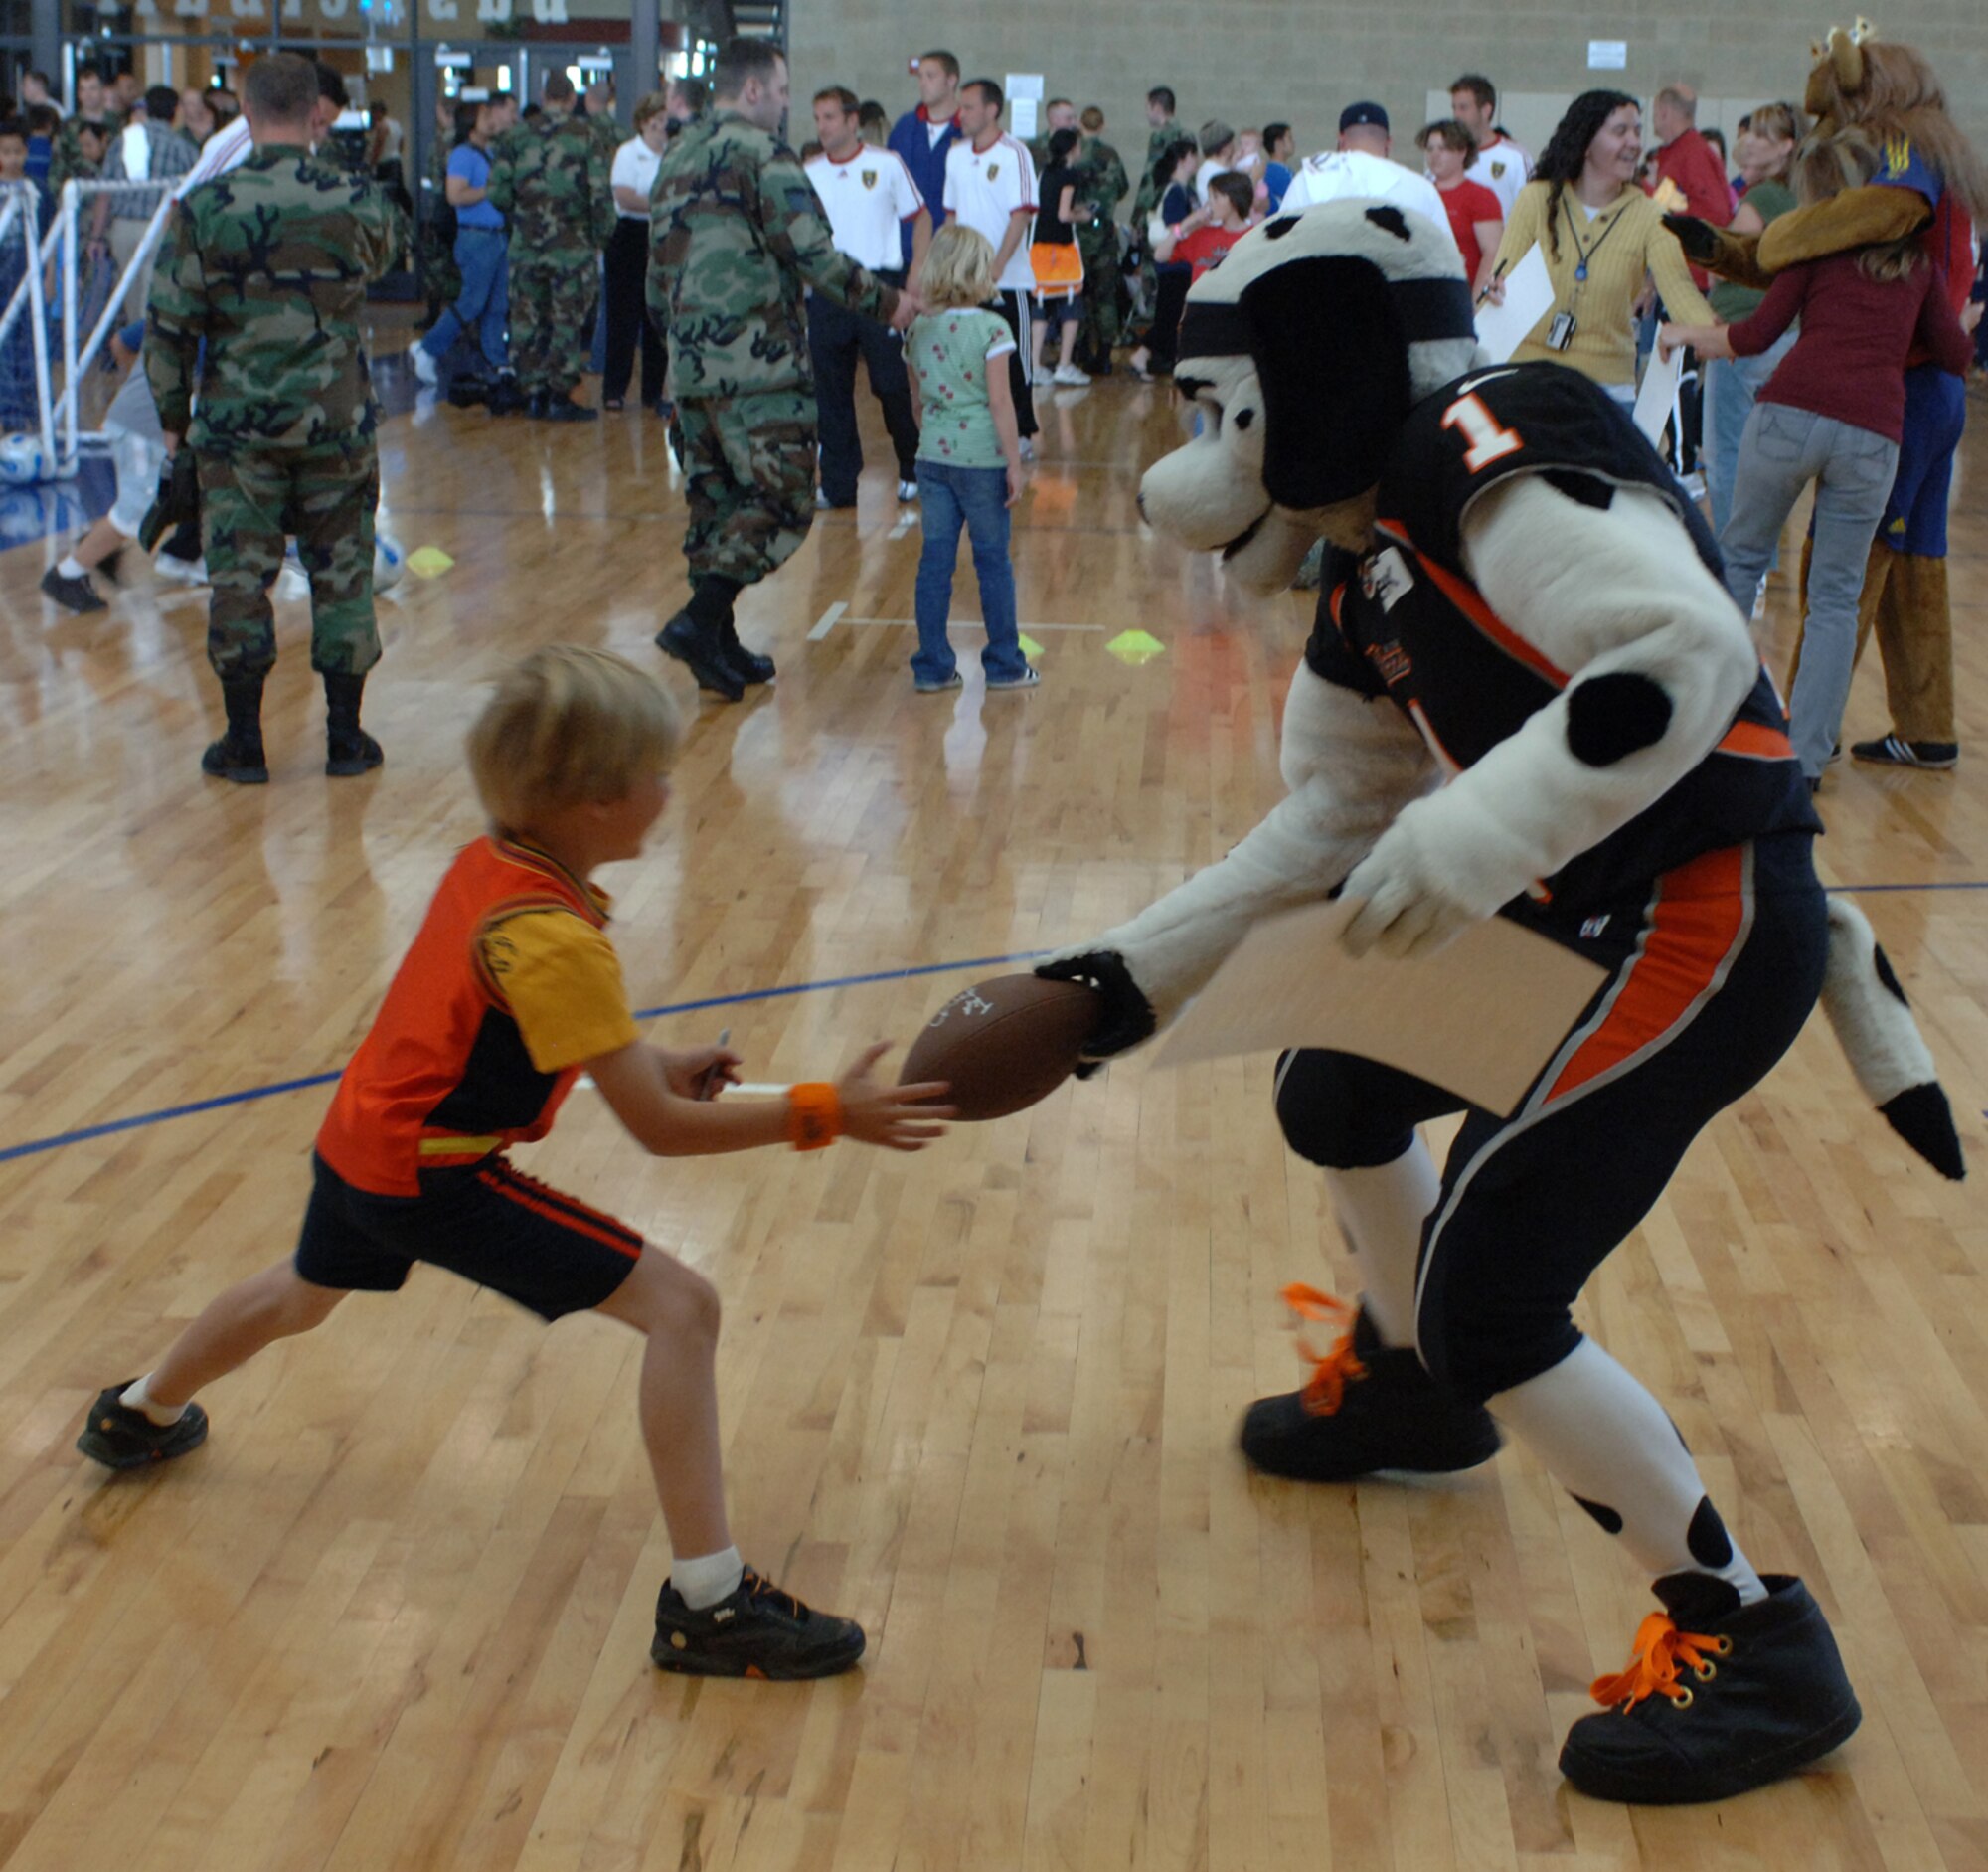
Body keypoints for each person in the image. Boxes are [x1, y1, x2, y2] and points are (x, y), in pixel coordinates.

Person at [76, 642, 954, 1678]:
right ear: (589, 804)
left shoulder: (495, 863)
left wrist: (650, 1058)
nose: (670, 789)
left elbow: (519, 1026)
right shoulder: (555, 938)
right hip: (430, 1175)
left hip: (360, 1136)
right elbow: (657, 1134)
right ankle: (711, 1603)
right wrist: (822, 1112)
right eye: (653, 775)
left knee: (305, 1289)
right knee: (683, 1307)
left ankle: (138, 1412)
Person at [1661, 134, 1978, 784]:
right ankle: (1804, 759)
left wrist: (1687, 333)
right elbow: (1953, 356)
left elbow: (1755, 335)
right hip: (1872, 435)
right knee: (1834, 600)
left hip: (1790, 416)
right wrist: (1958, 321)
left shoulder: (1815, 248)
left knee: (1740, 564)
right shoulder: (1919, 266)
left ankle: (1708, 731)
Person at [144, 52, 405, 784]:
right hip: (336, 424)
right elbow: (387, 263)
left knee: (240, 580)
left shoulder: (205, 209)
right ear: (317, 113)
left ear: (247, 112)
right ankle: (347, 739)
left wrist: (174, 430)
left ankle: (244, 744)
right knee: (344, 576)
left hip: (237, 434)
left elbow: (169, 330)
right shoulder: (357, 198)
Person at [648, 38, 913, 704]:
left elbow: (658, 271)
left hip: (694, 365)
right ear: (755, 90)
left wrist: (678, 348)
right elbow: (815, 257)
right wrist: (891, 305)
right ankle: (700, 619)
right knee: (784, 496)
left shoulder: (676, 154)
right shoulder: (765, 156)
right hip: (757, 367)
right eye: (785, 89)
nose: (790, 103)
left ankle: (719, 643)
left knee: (716, 504)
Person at [1485, 91, 1713, 405]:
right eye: (1621, 132)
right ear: (1587, 142)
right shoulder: (1536, 199)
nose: (1634, 142)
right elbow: (1504, 276)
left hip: (1606, 393)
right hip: (1528, 380)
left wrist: (1720, 337)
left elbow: (1680, 292)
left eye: (1637, 132)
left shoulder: (1651, 216)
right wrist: (1496, 291)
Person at [904, 225, 1034, 696]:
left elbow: (915, 399)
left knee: (935, 562)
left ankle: (933, 667)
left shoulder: (918, 327)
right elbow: (1001, 402)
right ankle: (1004, 664)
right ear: (980, 272)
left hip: (933, 457)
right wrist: (1014, 463)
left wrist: (933, 438)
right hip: (983, 461)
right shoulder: (992, 328)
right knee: (993, 562)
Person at [805, 85, 928, 504]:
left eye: (830, 117)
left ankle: (912, 466)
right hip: (827, 289)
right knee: (831, 390)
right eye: (817, 118)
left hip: (880, 285)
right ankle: (838, 484)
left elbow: (921, 216)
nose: (822, 126)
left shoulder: (887, 164)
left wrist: (915, 273)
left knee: (891, 383)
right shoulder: (810, 172)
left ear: (853, 121)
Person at [38, 318, 208, 613]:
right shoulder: (223, 324)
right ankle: (67, 573)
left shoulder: (177, 305)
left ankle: (179, 554)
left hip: (138, 421)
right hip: (144, 428)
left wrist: (136, 387)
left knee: (191, 487)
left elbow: (120, 343)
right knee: (136, 511)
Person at [485, 72, 616, 421]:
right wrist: (601, 236)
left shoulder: (515, 136)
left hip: (526, 246)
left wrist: (523, 215)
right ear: (572, 99)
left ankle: (533, 394)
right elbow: (601, 194)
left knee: (527, 320)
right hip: (572, 247)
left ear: (543, 97)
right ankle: (560, 395)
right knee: (566, 320)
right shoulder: (587, 135)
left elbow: (496, 192)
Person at [1701, 102, 1803, 547]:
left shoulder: (1761, 199)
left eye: (1763, 136)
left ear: (1787, 146)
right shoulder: (1803, 196)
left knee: (1727, 454)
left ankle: (1735, 557)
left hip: (1743, 334)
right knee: (1768, 457)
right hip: (1786, 335)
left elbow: (1724, 268)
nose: (1748, 143)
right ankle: (1763, 559)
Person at [943, 78, 1039, 454]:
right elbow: (951, 215)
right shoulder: (956, 155)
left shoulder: (1015, 154)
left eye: (968, 107)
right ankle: (977, 428)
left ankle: (1021, 434)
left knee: (1013, 359)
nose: (961, 114)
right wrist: (949, 267)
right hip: (964, 281)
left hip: (1007, 281)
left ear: (992, 110)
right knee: (966, 358)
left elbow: (1021, 216)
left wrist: (997, 268)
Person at [411, 96, 519, 407]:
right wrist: (492, 190)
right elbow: (455, 194)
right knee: (471, 301)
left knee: (497, 304)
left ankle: (497, 362)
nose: (492, 121)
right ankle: (429, 348)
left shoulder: (490, 152)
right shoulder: (462, 155)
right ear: (471, 123)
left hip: (497, 237)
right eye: (485, 116)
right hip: (476, 238)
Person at [1277, 103, 1451, 246]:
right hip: (1398, 287)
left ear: (1341, 140)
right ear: (1388, 143)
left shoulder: (1307, 180)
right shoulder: (1420, 188)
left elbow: (1279, 243)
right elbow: (1447, 258)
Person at [599, 92, 671, 416]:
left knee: (656, 317)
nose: (660, 127)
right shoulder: (628, 153)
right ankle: (614, 390)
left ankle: (653, 392)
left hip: (661, 237)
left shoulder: (671, 155)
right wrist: (661, 203)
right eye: (654, 122)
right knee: (623, 316)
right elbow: (625, 197)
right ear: (643, 123)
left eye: (664, 121)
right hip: (629, 235)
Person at [1127, 137, 1200, 380]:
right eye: (1193, 156)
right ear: (1182, 160)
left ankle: (1153, 356)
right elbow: (1175, 227)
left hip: (1182, 263)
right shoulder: (1174, 191)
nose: (1197, 161)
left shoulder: (1186, 190)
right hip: (1173, 262)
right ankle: (1141, 356)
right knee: (1168, 316)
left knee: (1170, 315)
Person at [1650, 85, 1735, 290]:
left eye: (1654, 112)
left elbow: (1715, 214)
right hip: (1677, 273)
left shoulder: (1692, 155)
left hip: (1692, 279)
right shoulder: (1677, 154)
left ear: (1663, 112)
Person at [887, 50, 963, 268]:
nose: (923, 83)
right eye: (920, 76)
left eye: (931, 76)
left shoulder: (967, 131)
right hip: (904, 249)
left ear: (951, 80)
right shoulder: (905, 127)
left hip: (951, 251)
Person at [1030, 125, 1088, 386]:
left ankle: (1033, 364)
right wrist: (1084, 215)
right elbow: (1063, 214)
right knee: (1070, 304)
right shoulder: (1070, 174)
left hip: (1039, 247)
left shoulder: (1044, 173)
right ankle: (1064, 364)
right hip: (1061, 249)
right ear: (1073, 148)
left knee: (1041, 305)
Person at [1072, 105, 1129, 370]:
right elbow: (1123, 188)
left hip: (1077, 235)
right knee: (1106, 297)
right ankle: (1105, 356)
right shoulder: (1111, 155)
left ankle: (1080, 350)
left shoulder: (1075, 153)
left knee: (1078, 294)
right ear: (1102, 125)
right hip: (1105, 234)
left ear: (1080, 124)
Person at [1417, 118, 1503, 294]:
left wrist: (1477, 299)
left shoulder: (1480, 196)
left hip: (1463, 294)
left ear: (1462, 151)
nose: (1435, 155)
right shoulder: (1419, 193)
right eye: (1430, 149)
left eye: (1443, 149)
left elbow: (1492, 251)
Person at [1448, 73, 1531, 217]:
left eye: (1463, 108)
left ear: (1486, 110)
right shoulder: (1446, 156)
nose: (1457, 115)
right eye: (1454, 108)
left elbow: (1532, 212)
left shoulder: (1515, 157)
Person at [1152, 169, 1255, 280]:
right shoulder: (1202, 234)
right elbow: (1160, 256)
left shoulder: (1254, 237)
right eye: (1209, 197)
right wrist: (1184, 225)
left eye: (1215, 197)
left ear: (1234, 200)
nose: (1210, 202)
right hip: (1199, 297)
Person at [50, 65, 120, 189]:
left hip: (112, 190)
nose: (88, 94)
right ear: (78, 94)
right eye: (83, 89)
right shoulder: (67, 126)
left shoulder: (118, 123)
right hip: (77, 190)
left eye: (93, 89)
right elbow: (58, 163)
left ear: (103, 91)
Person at [1261, 122, 1295, 211]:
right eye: (1289, 138)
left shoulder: (1272, 169)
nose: (1293, 142)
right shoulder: (1278, 173)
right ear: (1279, 143)